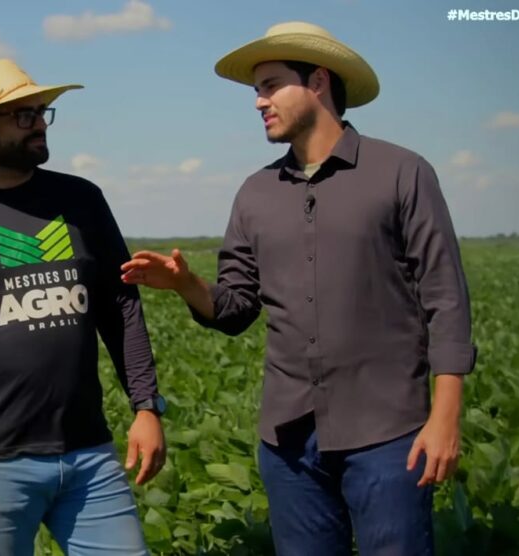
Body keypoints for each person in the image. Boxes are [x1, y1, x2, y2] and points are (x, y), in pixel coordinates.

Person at [121, 22, 477, 555]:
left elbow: (445, 299)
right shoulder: (256, 193)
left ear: (318, 81)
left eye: (270, 85)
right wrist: (186, 285)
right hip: (288, 443)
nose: (258, 101)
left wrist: (445, 417)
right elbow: (236, 308)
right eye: (256, 90)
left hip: (389, 433)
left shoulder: (402, 172)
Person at [0, 58, 166, 555]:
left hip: (88, 452)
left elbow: (120, 304)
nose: (40, 124)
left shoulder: (82, 200)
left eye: (41, 113)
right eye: (24, 115)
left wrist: (146, 406)